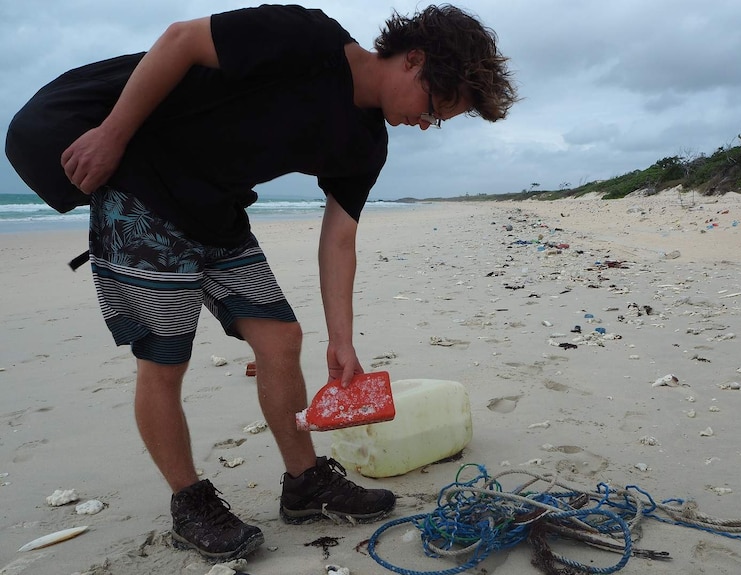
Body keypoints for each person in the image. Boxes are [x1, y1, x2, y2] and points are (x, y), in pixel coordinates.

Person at [35, 3, 515, 562]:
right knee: (164, 355)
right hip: (142, 190)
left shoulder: (366, 144)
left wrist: (343, 338)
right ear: (414, 60)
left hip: (217, 211)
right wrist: (113, 134)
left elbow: (339, 237)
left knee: (282, 339)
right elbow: (181, 39)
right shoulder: (307, 38)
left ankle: (305, 482)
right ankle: (189, 501)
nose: (428, 123)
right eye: (436, 107)